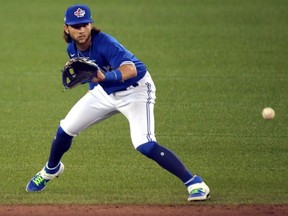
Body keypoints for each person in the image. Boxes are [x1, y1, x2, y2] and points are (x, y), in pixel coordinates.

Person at [26, 4, 210, 201]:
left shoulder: (106, 43)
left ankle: (195, 183)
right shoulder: (72, 49)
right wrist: (97, 86)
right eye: (76, 26)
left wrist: (105, 78)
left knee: (145, 144)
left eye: (85, 25)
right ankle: (50, 170)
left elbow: (131, 70)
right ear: (66, 28)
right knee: (66, 128)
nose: (81, 30)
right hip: (103, 93)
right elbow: (92, 76)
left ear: (91, 25)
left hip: (136, 91)